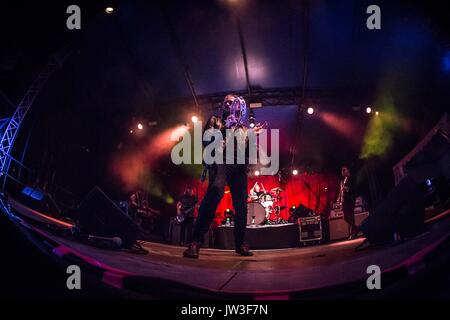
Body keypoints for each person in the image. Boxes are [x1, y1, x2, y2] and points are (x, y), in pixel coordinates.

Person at [183, 94, 265, 258]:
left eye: (232, 102)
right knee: (215, 191)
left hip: (239, 167)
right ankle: (195, 242)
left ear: (237, 106)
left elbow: (248, 153)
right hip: (221, 162)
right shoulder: (215, 120)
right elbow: (206, 140)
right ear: (223, 105)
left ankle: (240, 245)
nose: (229, 104)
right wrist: (222, 131)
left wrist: (250, 137)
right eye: (226, 102)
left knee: (241, 206)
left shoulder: (243, 128)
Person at [338, 165, 358, 240]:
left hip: (350, 200)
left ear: (348, 170)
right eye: (342, 170)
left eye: (344, 170)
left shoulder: (352, 178)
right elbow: (341, 191)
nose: (342, 172)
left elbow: (355, 188)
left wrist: (348, 189)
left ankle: (353, 233)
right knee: (346, 217)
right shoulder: (342, 180)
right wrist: (339, 199)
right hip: (344, 200)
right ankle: (355, 229)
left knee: (350, 217)